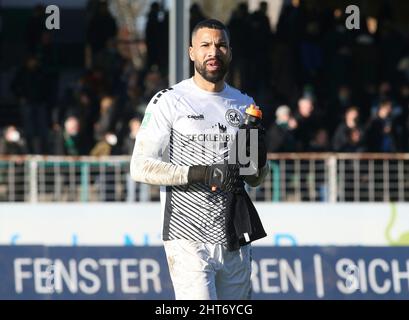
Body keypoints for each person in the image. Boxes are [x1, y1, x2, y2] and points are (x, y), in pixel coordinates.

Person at [130, 19, 268, 300]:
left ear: (230, 52)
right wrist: (200, 174)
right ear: (192, 52)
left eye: (221, 45)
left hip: (235, 237)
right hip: (188, 235)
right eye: (205, 45)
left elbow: (254, 177)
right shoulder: (169, 100)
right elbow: (140, 166)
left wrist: (258, 161)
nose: (213, 52)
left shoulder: (245, 104)